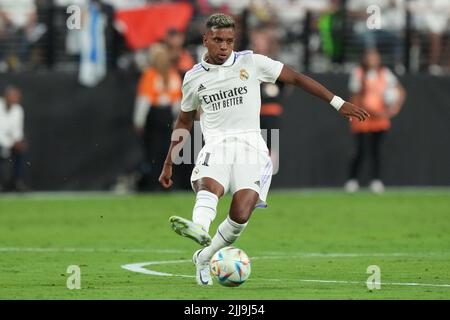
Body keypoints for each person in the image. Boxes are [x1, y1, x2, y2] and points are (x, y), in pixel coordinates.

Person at [158, 13, 369, 286]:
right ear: (205, 40)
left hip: (251, 148)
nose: (224, 46)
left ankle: (204, 255)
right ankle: (199, 227)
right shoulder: (193, 78)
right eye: (218, 40)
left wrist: (338, 103)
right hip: (217, 145)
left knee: (241, 214)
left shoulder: (251, 62)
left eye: (229, 41)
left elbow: (295, 77)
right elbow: (185, 120)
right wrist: (169, 161)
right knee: (209, 187)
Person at [344, 49, 406, 194]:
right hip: (362, 118)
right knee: (360, 150)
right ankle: (352, 180)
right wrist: (373, 112)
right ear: (364, 58)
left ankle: (376, 180)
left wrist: (394, 109)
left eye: (375, 56)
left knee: (376, 150)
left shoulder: (384, 73)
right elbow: (356, 98)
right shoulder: (358, 73)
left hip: (380, 119)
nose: (372, 59)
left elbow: (401, 92)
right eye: (369, 56)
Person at [133, 43, 182, 191]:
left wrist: (139, 121)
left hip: (154, 116)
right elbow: (177, 103)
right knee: (167, 152)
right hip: (167, 116)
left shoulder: (150, 75)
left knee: (153, 151)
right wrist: (177, 121)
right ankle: (167, 183)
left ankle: (153, 183)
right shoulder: (173, 74)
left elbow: (144, 100)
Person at [0, 86, 28, 192]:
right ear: (6, 97)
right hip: (2, 143)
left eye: (17, 97)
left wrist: (17, 141)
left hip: (9, 143)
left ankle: (17, 182)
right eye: (14, 97)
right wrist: (8, 143)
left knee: (21, 150)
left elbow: (17, 130)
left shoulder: (18, 110)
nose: (16, 99)